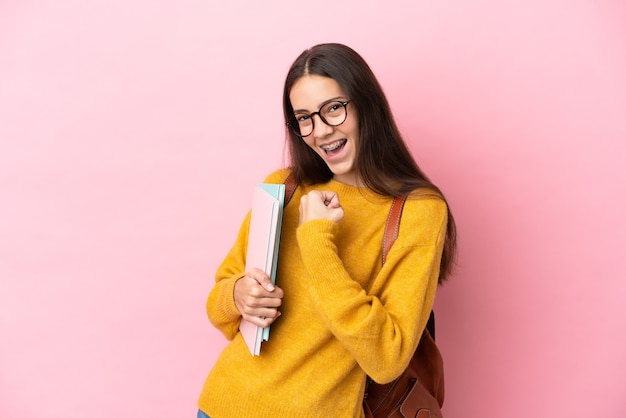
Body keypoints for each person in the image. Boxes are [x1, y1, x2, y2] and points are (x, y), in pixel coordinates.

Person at [197, 42, 456, 418]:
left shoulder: (418, 211)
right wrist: (237, 295)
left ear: (366, 104)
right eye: (304, 118)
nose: (319, 131)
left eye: (333, 109)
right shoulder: (283, 187)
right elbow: (219, 304)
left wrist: (318, 242)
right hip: (223, 405)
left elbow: (387, 357)